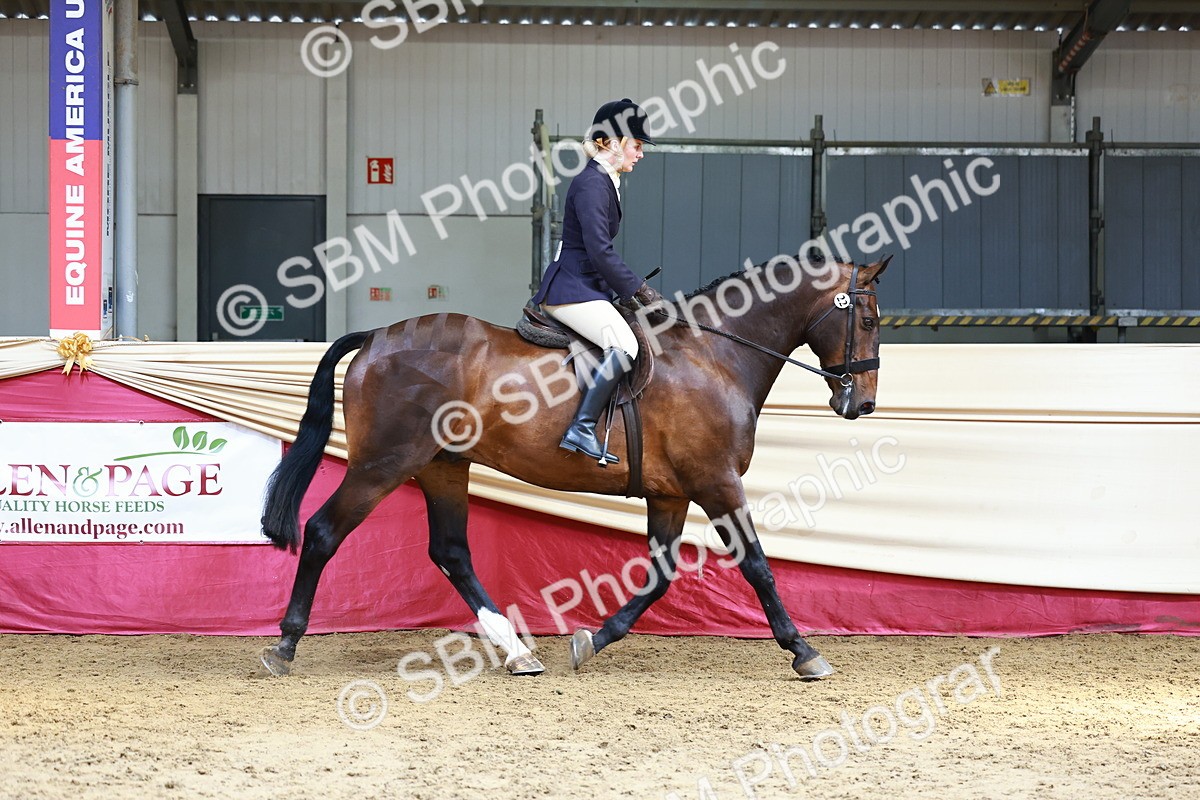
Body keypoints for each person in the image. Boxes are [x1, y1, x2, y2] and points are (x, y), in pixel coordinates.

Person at [530, 98, 663, 466]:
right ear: (611, 142)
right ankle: (582, 427)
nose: (640, 153)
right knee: (624, 345)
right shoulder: (592, 184)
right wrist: (639, 289)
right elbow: (600, 252)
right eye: (636, 145)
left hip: (587, 286)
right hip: (571, 289)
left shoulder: (606, 181)